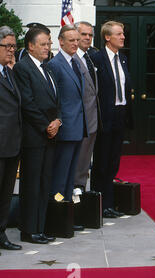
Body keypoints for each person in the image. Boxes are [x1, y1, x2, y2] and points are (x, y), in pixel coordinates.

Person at [14, 27, 61, 245]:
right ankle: (29, 230)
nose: (47, 47)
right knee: (31, 185)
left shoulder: (48, 68)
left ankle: (40, 227)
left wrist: (58, 121)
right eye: (43, 44)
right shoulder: (23, 68)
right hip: (34, 137)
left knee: (44, 183)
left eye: (48, 43)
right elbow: (27, 102)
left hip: (50, 135)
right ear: (30, 46)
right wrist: (46, 126)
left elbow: (55, 100)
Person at [91, 21, 133, 219]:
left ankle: (109, 202)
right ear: (107, 37)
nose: (123, 37)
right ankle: (101, 204)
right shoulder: (96, 58)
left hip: (120, 115)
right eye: (119, 34)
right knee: (102, 161)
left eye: (123, 33)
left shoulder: (123, 59)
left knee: (114, 162)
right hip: (104, 117)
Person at [47, 25, 87, 213]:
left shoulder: (76, 63)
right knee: (60, 175)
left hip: (77, 127)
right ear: (60, 41)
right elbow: (53, 99)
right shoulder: (55, 65)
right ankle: (57, 212)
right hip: (65, 129)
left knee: (71, 175)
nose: (75, 43)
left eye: (77, 40)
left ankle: (67, 213)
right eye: (71, 40)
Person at [0, 26, 22, 251]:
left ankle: (1, 234)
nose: (11, 51)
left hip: (13, 144)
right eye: (7, 46)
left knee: (6, 194)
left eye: (14, 47)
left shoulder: (9, 72)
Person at [73, 21, 100, 194]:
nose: (88, 38)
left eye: (90, 35)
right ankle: (73, 198)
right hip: (77, 122)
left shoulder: (89, 56)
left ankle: (80, 193)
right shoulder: (71, 59)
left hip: (92, 120)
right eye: (84, 34)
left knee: (84, 164)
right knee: (75, 165)